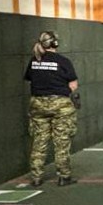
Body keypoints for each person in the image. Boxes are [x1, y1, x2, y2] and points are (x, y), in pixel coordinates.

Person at [24, 31, 79, 187]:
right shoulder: (63, 61)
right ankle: (64, 176)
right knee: (61, 141)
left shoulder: (34, 60)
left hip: (37, 104)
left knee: (39, 141)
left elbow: (30, 79)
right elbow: (73, 85)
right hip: (60, 104)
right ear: (55, 43)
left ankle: (36, 177)